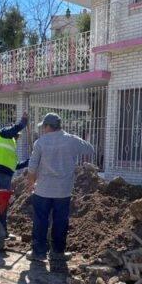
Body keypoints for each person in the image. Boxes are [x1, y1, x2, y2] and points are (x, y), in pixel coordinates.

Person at [26, 112, 95, 263]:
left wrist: (31, 184)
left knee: (40, 221)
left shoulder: (41, 142)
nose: (43, 129)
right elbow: (90, 149)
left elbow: (32, 167)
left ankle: (39, 252)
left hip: (43, 190)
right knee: (60, 221)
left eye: (44, 126)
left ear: (48, 126)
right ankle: (57, 252)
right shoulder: (71, 140)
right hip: (63, 191)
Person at [0, 112, 29, 238]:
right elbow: (16, 128)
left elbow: (15, 165)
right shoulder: (3, 133)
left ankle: (2, 231)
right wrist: (23, 122)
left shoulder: (11, 145)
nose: (17, 137)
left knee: (3, 205)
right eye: (17, 134)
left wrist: (29, 161)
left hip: (5, 176)